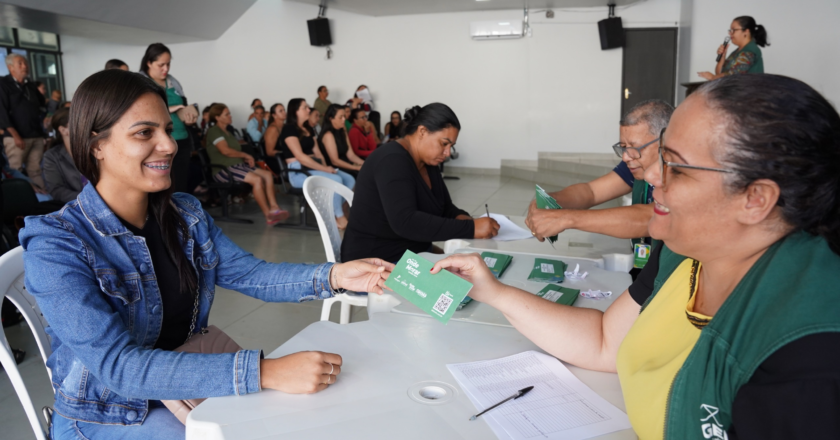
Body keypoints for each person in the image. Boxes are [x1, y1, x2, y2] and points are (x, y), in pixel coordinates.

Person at [432, 74, 840, 439]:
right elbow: (605, 341)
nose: (650, 176)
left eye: (676, 167)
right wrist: (494, 292)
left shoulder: (811, 357)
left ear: (756, 199)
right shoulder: (684, 254)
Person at [20, 69, 394, 439]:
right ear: (94, 144)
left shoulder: (183, 213)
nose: (168, 145)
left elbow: (249, 274)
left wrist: (335, 276)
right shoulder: (56, 244)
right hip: (111, 414)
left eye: (167, 129)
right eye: (144, 133)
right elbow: (120, 368)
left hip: (187, 386)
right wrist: (264, 371)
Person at [526, 100, 672, 273]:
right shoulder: (636, 165)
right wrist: (549, 200)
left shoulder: (682, 174)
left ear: (665, 141)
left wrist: (567, 218)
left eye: (634, 148)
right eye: (623, 147)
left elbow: (650, 217)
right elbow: (591, 192)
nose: (626, 157)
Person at [341, 103, 500, 263]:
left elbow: (445, 208)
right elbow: (406, 222)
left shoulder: (427, 162)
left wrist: (466, 220)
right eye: (444, 143)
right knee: (469, 282)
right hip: (376, 262)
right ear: (422, 131)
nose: (447, 153)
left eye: (451, 146)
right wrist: (471, 229)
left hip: (411, 252)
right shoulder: (392, 161)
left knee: (476, 269)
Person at [206, 104, 289, 225]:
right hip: (223, 170)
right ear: (217, 117)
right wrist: (246, 155)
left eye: (229, 113)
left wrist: (244, 158)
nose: (230, 116)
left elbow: (233, 152)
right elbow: (225, 151)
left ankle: (274, 207)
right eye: (226, 114)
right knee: (257, 179)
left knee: (267, 174)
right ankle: (268, 215)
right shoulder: (215, 131)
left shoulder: (228, 131)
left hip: (237, 166)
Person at [280, 98, 355, 229]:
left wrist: (326, 167)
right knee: (336, 179)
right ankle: (339, 217)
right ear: (296, 111)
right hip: (298, 172)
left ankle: (330, 212)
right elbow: (300, 157)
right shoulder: (289, 129)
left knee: (349, 180)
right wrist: (325, 170)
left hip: (313, 167)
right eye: (305, 108)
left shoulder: (308, 128)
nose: (309, 109)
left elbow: (318, 153)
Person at [140, 43, 198, 194]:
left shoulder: (173, 81)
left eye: (168, 64)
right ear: (149, 63)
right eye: (161, 65)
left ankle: (179, 214)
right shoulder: (140, 82)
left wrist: (188, 116)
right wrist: (172, 109)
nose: (166, 69)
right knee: (160, 183)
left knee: (180, 181)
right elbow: (141, 112)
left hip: (181, 138)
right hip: (157, 142)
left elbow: (183, 104)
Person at [0, 54, 46, 189]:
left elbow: (41, 105)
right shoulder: (3, 84)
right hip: (16, 138)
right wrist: (15, 135)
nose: (25, 66)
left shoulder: (30, 85)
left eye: (25, 63)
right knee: (16, 170)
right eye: (20, 63)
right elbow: (1, 112)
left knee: (36, 170)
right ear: (10, 67)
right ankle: (22, 201)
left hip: (36, 135)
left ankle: (44, 198)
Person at [698, 16, 768, 80]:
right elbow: (719, 74)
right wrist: (722, 57)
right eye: (730, 30)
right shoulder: (737, 52)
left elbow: (733, 74)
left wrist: (712, 77)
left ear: (746, 31)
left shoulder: (750, 51)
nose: (730, 33)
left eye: (734, 30)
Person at [42, 108, 85, 203]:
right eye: (78, 123)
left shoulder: (94, 149)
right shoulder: (52, 156)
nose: (85, 126)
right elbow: (57, 191)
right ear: (63, 130)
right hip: (76, 206)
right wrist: (87, 200)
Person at [318, 104, 364, 176]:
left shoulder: (343, 131)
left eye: (344, 116)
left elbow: (351, 155)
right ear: (331, 119)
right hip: (335, 169)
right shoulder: (328, 135)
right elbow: (335, 161)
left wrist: (364, 163)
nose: (344, 119)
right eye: (340, 117)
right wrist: (356, 167)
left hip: (346, 164)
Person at [263, 103, 286, 170]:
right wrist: (287, 153)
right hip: (276, 161)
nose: (284, 112)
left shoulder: (285, 126)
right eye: (280, 111)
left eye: (284, 110)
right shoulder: (272, 129)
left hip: (285, 158)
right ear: (274, 115)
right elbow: (269, 152)